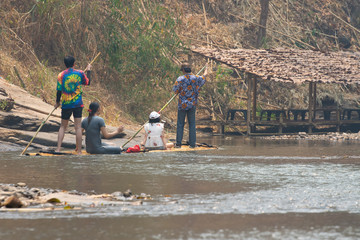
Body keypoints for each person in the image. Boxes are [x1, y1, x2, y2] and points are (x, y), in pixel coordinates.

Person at [54, 55, 91, 154]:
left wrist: (57, 102)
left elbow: (59, 91)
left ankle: (58, 149)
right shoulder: (80, 73)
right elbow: (88, 82)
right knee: (78, 127)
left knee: (62, 126)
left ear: (65, 64)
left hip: (66, 104)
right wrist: (89, 70)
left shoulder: (61, 75)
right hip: (78, 104)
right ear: (74, 64)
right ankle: (79, 151)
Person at [172, 63, 208, 148]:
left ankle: (178, 144)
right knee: (192, 124)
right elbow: (205, 76)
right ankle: (192, 144)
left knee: (180, 124)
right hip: (192, 104)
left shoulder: (180, 79)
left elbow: (175, 91)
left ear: (183, 70)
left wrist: (180, 90)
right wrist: (206, 67)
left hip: (182, 105)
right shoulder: (196, 78)